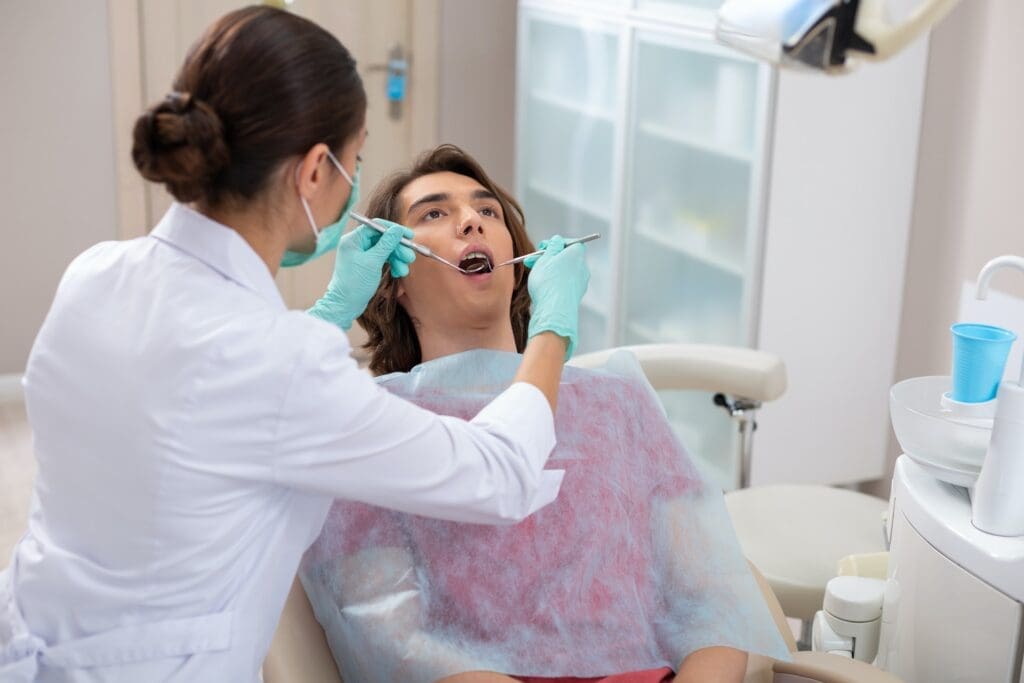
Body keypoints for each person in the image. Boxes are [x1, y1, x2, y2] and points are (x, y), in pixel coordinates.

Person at [0, 8, 589, 682]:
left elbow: (225, 395)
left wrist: (328, 310)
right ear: (314, 170)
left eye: (486, 210)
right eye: (356, 158)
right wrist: (555, 324)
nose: (470, 222)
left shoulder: (95, 273)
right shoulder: (283, 365)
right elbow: (500, 474)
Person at [299, 145, 791, 683]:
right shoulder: (371, 424)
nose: (471, 221)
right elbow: (396, 642)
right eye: (434, 214)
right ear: (391, 278)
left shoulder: (616, 403)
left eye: (488, 212)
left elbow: (709, 598)